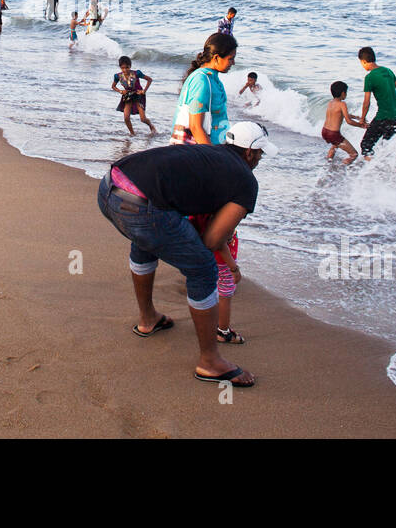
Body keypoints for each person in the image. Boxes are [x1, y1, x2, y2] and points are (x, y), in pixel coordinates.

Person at [96, 121, 276, 387]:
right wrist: (229, 263)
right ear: (249, 152)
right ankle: (210, 362)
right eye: (260, 153)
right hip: (140, 206)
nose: (260, 158)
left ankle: (148, 320)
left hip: (109, 186)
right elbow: (213, 240)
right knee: (203, 268)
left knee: (146, 240)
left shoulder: (210, 152)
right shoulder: (247, 182)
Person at [171, 32, 237, 145]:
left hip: (208, 150)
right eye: (230, 59)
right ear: (216, 58)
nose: (233, 63)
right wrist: (213, 157)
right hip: (198, 154)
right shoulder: (201, 81)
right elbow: (195, 127)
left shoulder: (212, 79)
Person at [357, 46, 396, 159]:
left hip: (383, 117)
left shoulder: (370, 77)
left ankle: (373, 172)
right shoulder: (388, 71)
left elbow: (366, 102)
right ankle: (384, 172)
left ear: (363, 61)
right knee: (384, 147)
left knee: (366, 145)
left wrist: (362, 119)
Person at [323, 80, 365, 165]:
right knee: (354, 154)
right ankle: (341, 169)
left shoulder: (330, 103)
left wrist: (355, 117)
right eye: (346, 92)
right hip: (334, 134)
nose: (346, 94)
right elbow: (349, 121)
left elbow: (339, 113)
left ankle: (328, 163)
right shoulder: (342, 104)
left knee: (335, 145)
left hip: (325, 131)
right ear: (343, 93)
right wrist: (361, 125)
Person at [112, 56, 156, 136]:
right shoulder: (117, 76)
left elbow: (149, 79)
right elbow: (113, 86)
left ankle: (151, 126)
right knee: (126, 118)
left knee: (143, 119)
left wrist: (144, 91)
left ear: (130, 66)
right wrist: (121, 91)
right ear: (120, 67)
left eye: (127, 67)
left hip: (138, 96)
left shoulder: (137, 73)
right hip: (127, 96)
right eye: (122, 68)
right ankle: (132, 133)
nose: (125, 70)